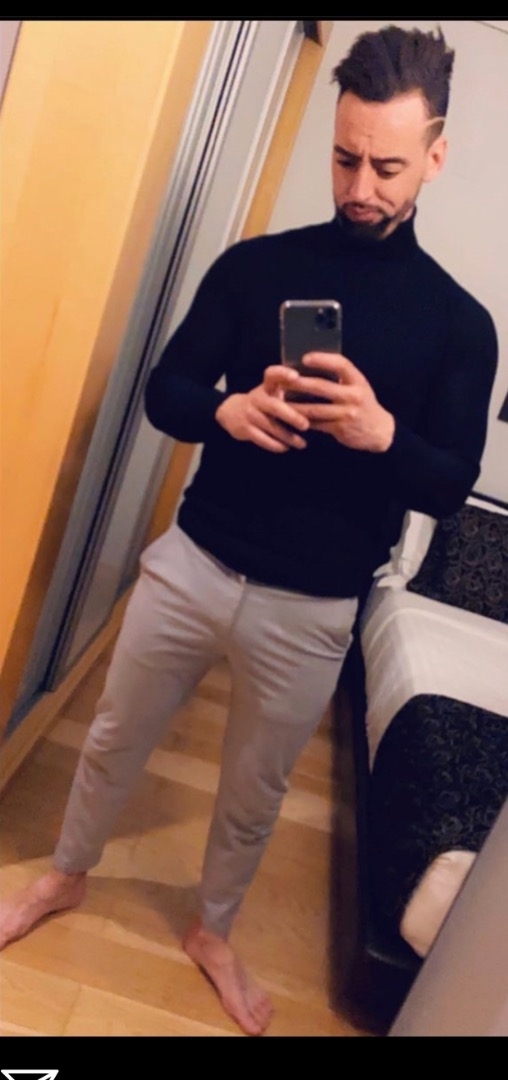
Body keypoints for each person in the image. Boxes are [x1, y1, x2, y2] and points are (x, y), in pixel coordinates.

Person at [0, 25, 498, 1035]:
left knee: (252, 792)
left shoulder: (460, 326)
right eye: (344, 158)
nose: (360, 186)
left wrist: (382, 434)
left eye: (387, 167)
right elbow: (165, 390)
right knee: (112, 738)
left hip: (314, 604)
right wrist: (227, 409)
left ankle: (213, 931)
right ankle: (64, 874)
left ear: (436, 155)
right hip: (194, 561)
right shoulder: (255, 265)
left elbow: (449, 486)